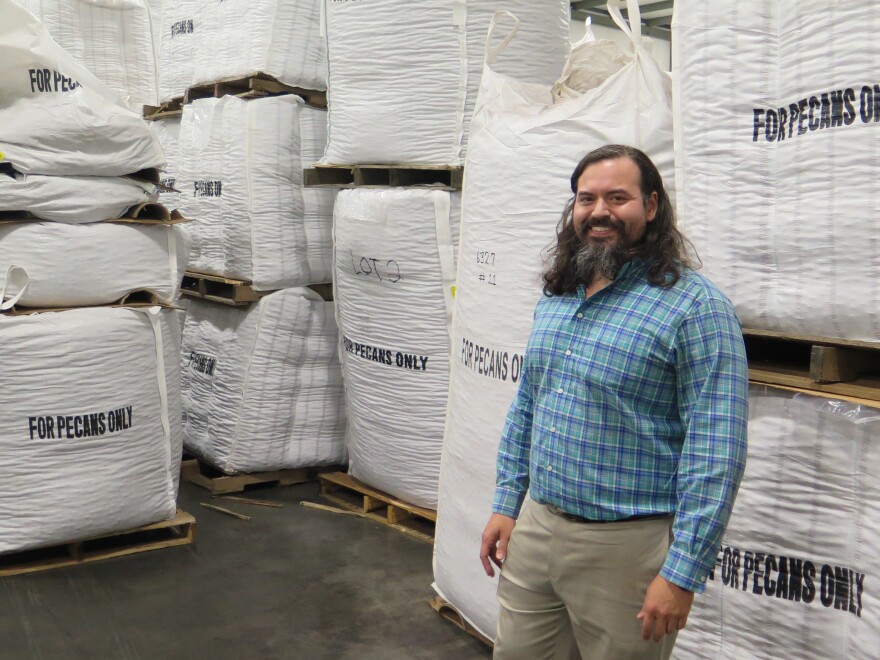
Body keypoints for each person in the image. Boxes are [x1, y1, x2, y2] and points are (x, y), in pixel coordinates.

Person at [479, 144, 749, 660]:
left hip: (626, 549)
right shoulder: (560, 295)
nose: (600, 211)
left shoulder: (695, 308)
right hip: (538, 526)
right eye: (587, 199)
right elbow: (529, 406)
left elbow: (715, 452)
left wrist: (682, 573)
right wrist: (507, 502)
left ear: (651, 206)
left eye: (617, 197)